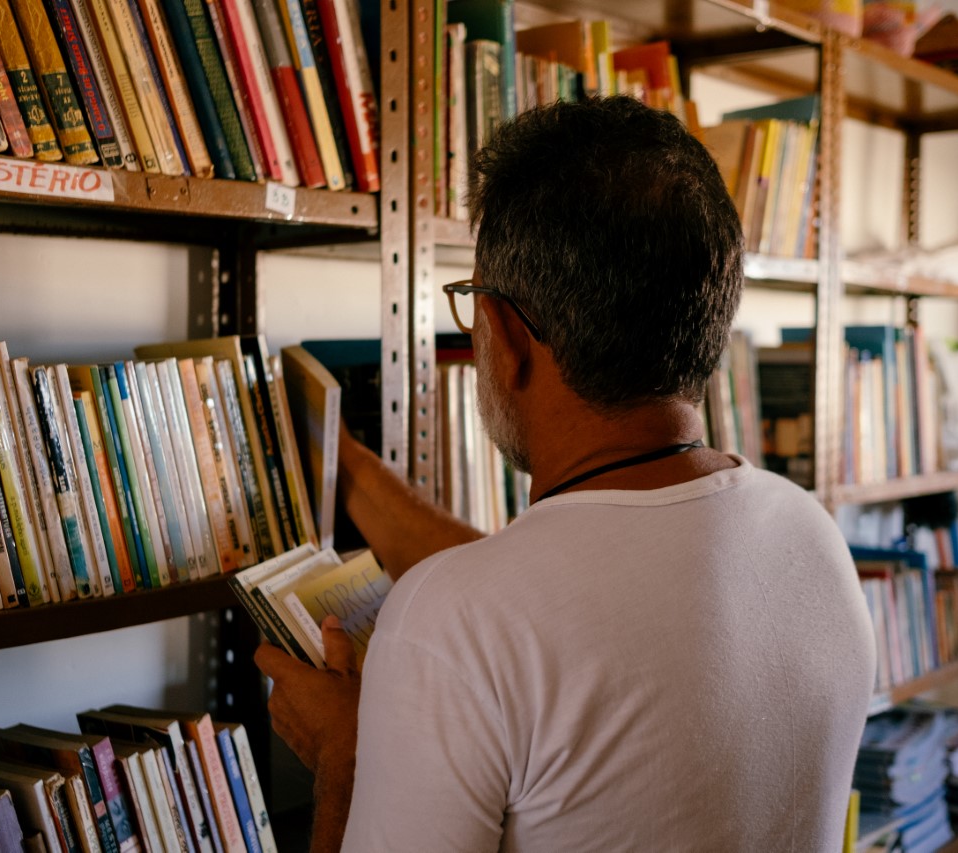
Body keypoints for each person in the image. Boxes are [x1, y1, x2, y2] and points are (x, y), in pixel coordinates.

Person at [255, 95, 875, 852]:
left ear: (508, 335)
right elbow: (553, 598)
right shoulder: (812, 539)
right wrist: (343, 465)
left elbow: (508, 617)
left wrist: (345, 761)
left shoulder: (457, 621)